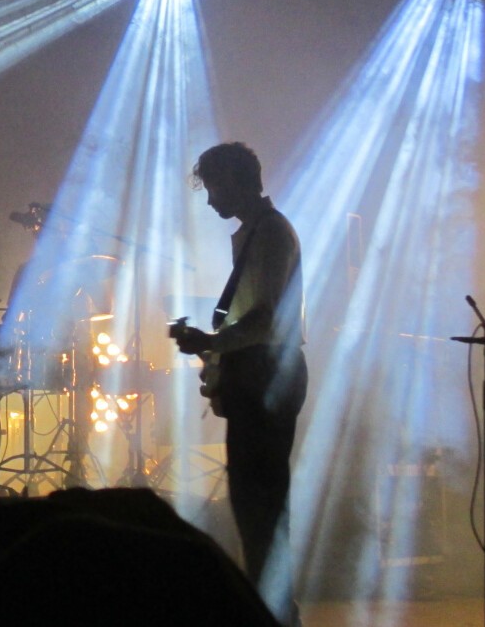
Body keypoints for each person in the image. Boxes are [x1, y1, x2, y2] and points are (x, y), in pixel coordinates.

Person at [171, 142, 307, 626]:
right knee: (256, 510)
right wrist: (212, 350)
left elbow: (266, 321)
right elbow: (253, 320)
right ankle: (270, 612)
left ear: (236, 181)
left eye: (213, 188)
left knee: (261, 510)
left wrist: (211, 342)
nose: (209, 201)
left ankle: (276, 616)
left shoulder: (270, 234)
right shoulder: (253, 234)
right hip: (260, 374)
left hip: (269, 375)